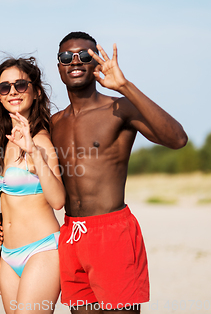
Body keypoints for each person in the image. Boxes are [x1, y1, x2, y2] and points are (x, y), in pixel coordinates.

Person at [50, 31, 188, 313]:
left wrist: (125, 86)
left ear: (96, 62)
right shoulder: (54, 123)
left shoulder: (118, 107)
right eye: (67, 56)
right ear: (59, 66)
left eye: (85, 55)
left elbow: (177, 139)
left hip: (111, 232)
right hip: (72, 234)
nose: (75, 61)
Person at [0, 56, 66, 313]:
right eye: (5, 87)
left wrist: (33, 152)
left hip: (42, 250)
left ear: (36, 91)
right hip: (9, 256)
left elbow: (57, 200)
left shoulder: (40, 141)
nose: (12, 92)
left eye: (21, 85)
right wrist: (2, 259)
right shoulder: (6, 141)